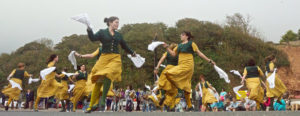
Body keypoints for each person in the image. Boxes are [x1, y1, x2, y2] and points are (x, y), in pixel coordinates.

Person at [83, 16, 136, 113]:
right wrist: (89, 29)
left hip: (115, 58)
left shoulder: (119, 35)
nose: (117, 24)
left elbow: (125, 46)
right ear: (110, 23)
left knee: (109, 73)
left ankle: (102, 100)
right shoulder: (102, 32)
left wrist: (132, 53)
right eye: (116, 22)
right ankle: (91, 106)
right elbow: (93, 38)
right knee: (98, 82)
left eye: (118, 22)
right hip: (103, 58)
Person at [163, 31, 216, 111]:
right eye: (181, 34)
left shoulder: (191, 44)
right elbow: (173, 54)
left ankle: (173, 95)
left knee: (170, 74)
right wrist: (167, 47)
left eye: (183, 35)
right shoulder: (179, 46)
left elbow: (199, 53)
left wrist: (209, 60)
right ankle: (189, 106)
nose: (181, 36)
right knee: (170, 75)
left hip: (188, 66)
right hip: (180, 66)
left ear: (187, 36)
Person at [154, 43, 178, 111]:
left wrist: (157, 68)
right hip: (175, 71)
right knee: (173, 89)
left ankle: (163, 96)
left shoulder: (167, 53)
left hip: (167, 70)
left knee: (162, 84)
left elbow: (161, 60)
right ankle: (170, 104)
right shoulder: (178, 54)